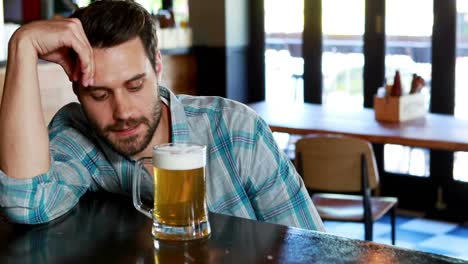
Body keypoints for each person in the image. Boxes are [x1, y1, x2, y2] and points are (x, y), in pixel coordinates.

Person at [0, 0, 324, 231]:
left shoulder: (237, 130)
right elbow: (26, 203)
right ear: (76, 88)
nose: (123, 112)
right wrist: (22, 45)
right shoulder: (80, 134)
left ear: (157, 66)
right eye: (99, 94)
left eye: (135, 85)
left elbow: (313, 251)